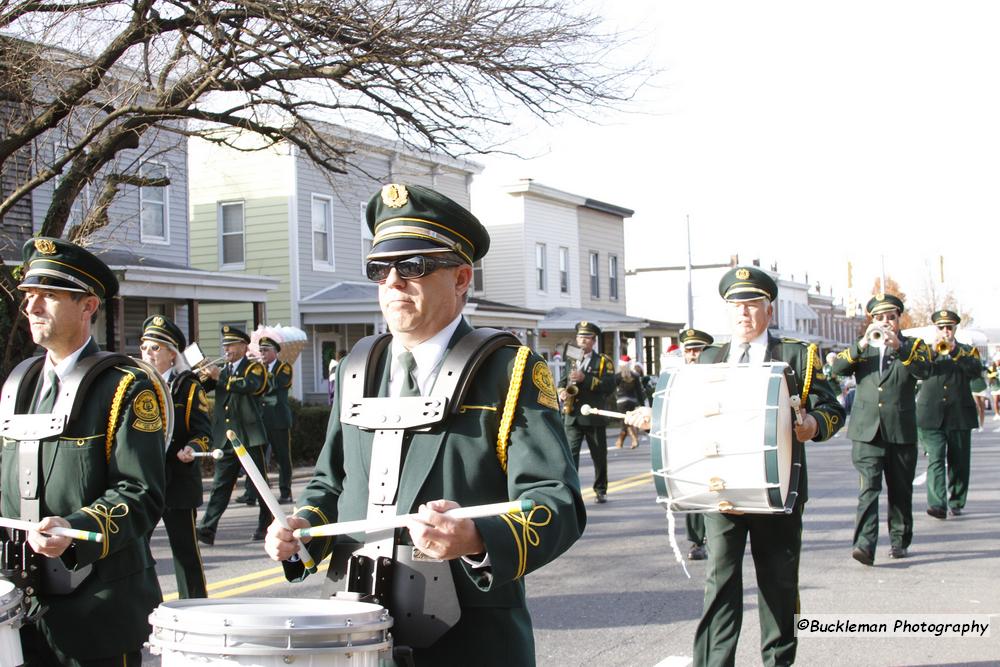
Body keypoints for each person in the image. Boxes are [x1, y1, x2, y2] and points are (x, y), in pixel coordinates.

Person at [263, 183, 585, 666]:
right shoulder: (356, 368)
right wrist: (300, 532)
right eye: (379, 269)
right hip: (353, 632)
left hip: (471, 642)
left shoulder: (510, 370)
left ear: (460, 278)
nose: (392, 282)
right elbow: (330, 486)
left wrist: (477, 539)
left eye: (413, 266)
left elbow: (555, 502)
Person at [627, 267, 844, 667]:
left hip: (779, 489)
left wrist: (814, 424)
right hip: (723, 487)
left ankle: (778, 661)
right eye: (736, 306)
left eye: (752, 305)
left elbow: (833, 408)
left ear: (769, 311)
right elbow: (690, 413)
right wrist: (654, 417)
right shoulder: (709, 358)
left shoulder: (798, 355)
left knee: (777, 583)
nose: (744, 314)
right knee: (720, 581)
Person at [0, 237, 166, 666]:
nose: (32, 307)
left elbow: (141, 492)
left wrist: (73, 528)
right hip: (22, 615)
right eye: (29, 296)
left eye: (49, 296)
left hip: (98, 613)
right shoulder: (18, 386)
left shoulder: (126, 388)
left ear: (88, 306)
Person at [831, 293, 931, 565]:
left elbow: (924, 371)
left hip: (900, 430)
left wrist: (898, 346)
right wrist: (863, 342)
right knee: (869, 488)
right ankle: (864, 544)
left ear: (899, 319)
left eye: (891, 317)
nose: (885, 322)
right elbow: (838, 368)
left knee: (900, 490)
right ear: (871, 320)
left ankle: (899, 540)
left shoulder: (914, 346)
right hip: (866, 432)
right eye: (879, 318)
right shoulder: (863, 348)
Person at [140, 315, 211, 598]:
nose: (148, 353)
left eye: (155, 348)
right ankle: (144, 606)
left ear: (172, 354)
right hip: (144, 481)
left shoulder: (188, 386)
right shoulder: (137, 385)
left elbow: (202, 430)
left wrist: (192, 448)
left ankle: (195, 606)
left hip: (178, 480)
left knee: (184, 551)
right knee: (135, 550)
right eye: (144, 347)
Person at [196, 326, 273, 544]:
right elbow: (202, 386)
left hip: (249, 436)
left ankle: (267, 524)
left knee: (259, 484)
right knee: (220, 485)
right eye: (224, 345)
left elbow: (251, 386)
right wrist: (201, 370)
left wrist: (219, 376)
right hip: (227, 438)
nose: (226, 349)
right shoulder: (223, 369)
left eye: (230, 345)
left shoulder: (254, 368)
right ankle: (207, 529)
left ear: (243, 346)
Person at [915, 310, 981, 518]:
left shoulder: (968, 351)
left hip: (959, 414)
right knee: (935, 458)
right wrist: (933, 353)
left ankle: (957, 500)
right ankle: (937, 504)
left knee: (959, 461)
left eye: (949, 327)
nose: (945, 331)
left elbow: (975, 371)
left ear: (955, 329)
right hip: (930, 415)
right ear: (935, 329)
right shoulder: (924, 350)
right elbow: (918, 371)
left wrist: (954, 351)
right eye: (941, 327)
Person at [558, 321, 615, 503]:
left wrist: (586, 378)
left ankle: (600, 489)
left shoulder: (603, 361)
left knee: (599, 456)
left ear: (593, 341)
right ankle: (572, 491)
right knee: (570, 457)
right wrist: (561, 391)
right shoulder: (572, 358)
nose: (582, 341)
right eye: (580, 337)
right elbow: (563, 380)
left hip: (593, 416)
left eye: (586, 337)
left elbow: (609, 386)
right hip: (572, 415)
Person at [678, 327, 715, 561]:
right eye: (689, 350)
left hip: (714, 441)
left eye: (697, 349)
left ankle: (715, 537)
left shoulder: (718, 375)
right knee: (693, 493)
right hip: (688, 441)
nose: (692, 354)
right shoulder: (677, 377)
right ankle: (696, 541)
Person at [258, 336, 295, 503]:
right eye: (261, 351)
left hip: (279, 420)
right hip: (262, 420)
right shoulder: (259, 368)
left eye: (266, 350)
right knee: (258, 458)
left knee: (283, 458)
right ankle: (257, 494)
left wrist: (263, 373)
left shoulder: (284, 367)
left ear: (274, 352)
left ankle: (285, 492)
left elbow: (276, 384)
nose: (262, 353)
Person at [613, 360, 644, 449]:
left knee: (626, 420)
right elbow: (639, 392)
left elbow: (611, 388)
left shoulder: (618, 376)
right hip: (632, 401)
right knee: (627, 420)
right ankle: (621, 441)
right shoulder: (634, 376)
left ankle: (631, 440)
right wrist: (642, 405)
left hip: (621, 401)